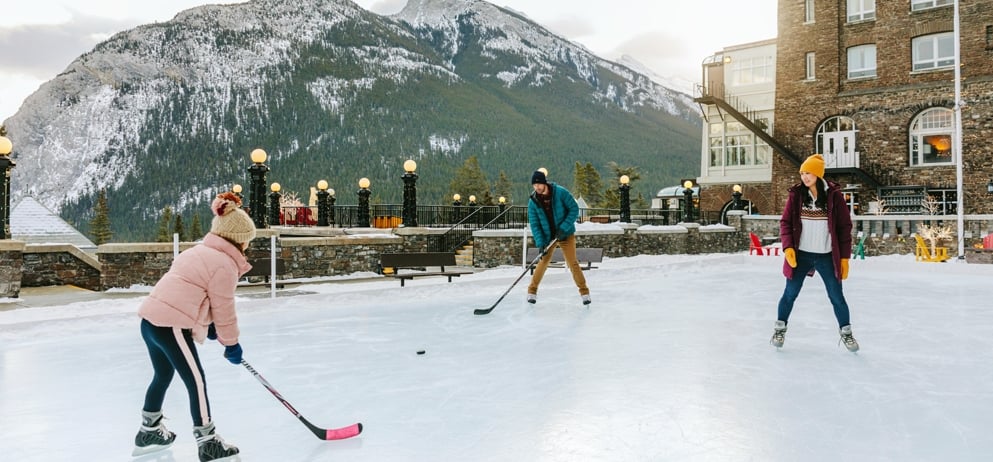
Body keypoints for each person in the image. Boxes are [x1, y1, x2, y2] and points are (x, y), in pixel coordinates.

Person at [133, 191, 255, 461]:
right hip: (170, 325)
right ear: (238, 239)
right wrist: (231, 342)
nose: (247, 246)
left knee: (162, 375)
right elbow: (223, 307)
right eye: (247, 241)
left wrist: (206, 325)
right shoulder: (224, 264)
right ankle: (208, 441)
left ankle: (148, 430)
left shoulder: (199, 251)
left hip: (150, 321)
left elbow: (189, 291)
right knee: (196, 381)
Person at [772, 154, 859, 352]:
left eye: (808, 172)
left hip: (826, 256)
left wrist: (844, 257)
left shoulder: (834, 196)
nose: (804, 177)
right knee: (789, 294)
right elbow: (785, 223)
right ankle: (780, 328)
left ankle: (846, 333)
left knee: (837, 296)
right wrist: (788, 248)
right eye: (802, 173)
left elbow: (844, 227)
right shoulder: (796, 196)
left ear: (818, 174)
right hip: (801, 255)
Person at [526, 169, 591, 305]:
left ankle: (584, 293)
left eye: (539, 184)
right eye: (534, 185)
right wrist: (541, 243)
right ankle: (532, 292)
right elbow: (535, 225)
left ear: (544, 183)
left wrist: (564, 228)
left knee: (572, 263)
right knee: (543, 262)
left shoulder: (560, 192)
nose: (537, 187)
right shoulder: (533, 202)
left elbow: (574, 209)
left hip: (565, 233)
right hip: (548, 237)